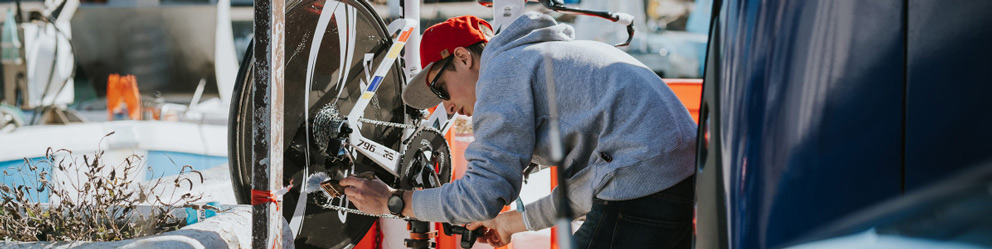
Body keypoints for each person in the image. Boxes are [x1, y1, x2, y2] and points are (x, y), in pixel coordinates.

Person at [340, 12, 696, 249]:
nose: (445, 107)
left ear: (463, 58)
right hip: (672, 176)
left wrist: (394, 201)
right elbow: (595, 185)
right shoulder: (539, 60)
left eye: (440, 89)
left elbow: (480, 195)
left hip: (646, 179)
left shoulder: (503, 73)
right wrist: (511, 222)